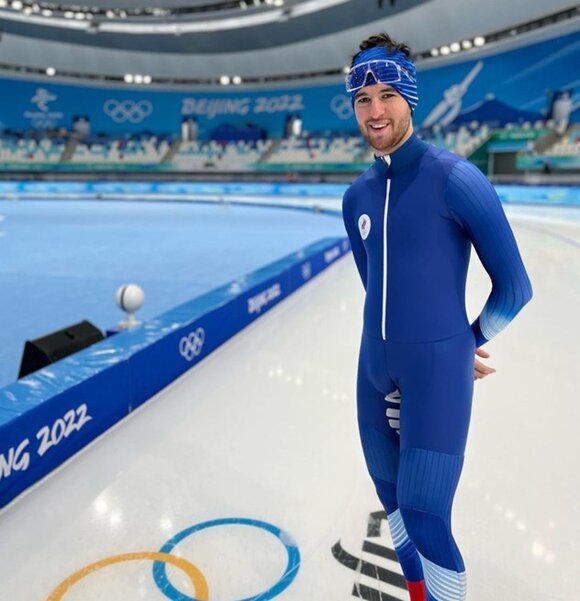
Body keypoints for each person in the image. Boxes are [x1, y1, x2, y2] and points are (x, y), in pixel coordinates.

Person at [341, 33, 533, 601]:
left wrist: (462, 345)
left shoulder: (456, 179)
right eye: (363, 99)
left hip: (436, 374)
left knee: (427, 519)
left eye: (387, 95)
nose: (375, 110)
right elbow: (375, 287)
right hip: (372, 372)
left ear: (410, 99)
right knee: (396, 510)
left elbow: (515, 288)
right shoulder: (355, 198)